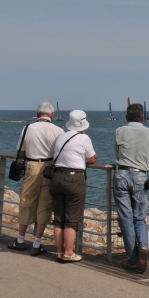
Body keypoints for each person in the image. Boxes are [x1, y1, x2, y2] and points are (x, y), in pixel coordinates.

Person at [8, 102, 64, 256]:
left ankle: (20, 240)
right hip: (50, 168)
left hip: (32, 166)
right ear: (52, 114)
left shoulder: (28, 128)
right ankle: (37, 243)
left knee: (26, 201)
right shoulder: (59, 130)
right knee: (45, 204)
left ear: (37, 113)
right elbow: (61, 153)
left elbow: (20, 153)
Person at [113, 103, 149, 273]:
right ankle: (143, 247)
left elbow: (117, 155)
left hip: (122, 174)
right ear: (142, 117)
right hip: (141, 176)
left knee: (126, 218)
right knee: (140, 217)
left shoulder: (119, 131)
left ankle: (132, 259)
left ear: (126, 117)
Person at [50, 110, 97, 262]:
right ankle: (69, 253)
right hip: (74, 178)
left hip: (56, 177)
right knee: (72, 218)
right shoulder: (84, 138)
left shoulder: (61, 136)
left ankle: (59, 252)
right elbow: (91, 159)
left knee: (58, 218)